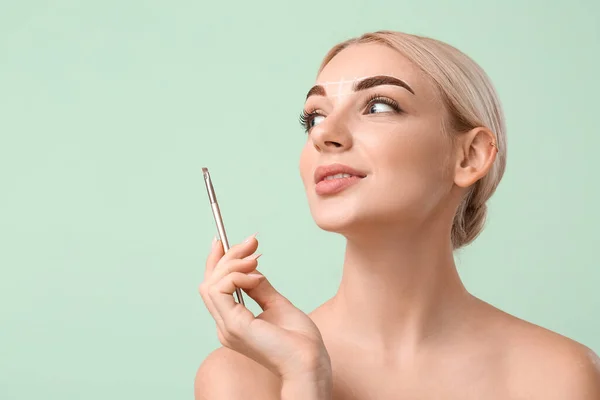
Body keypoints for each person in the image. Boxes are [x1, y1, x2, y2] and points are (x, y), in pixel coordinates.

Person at [194, 30, 600, 399]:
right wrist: (305, 377)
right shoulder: (242, 378)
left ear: (470, 155)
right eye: (314, 116)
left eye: (379, 106)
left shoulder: (559, 377)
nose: (322, 133)